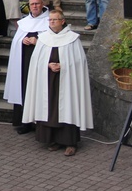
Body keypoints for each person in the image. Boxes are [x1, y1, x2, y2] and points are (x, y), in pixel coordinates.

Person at [22, 9, 93, 157]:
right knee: (49, 107)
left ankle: (70, 142)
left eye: (55, 19)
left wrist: (64, 65)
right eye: (50, 20)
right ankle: (53, 139)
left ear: (62, 21)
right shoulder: (43, 38)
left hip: (67, 80)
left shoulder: (73, 38)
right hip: (47, 79)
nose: (52, 22)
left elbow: (79, 61)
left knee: (67, 107)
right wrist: (48, 65)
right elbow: (36, 61)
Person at [3, 0, 49, 134]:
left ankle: (40, 123)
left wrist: (38, 41)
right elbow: (15, 42)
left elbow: (52, 42)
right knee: (23, 88)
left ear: (42, 5)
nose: (34, 6)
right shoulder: (24, 22)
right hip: (23, 63)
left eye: (37, 3)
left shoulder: (49, 21)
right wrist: (22, 40)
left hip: (39, 64)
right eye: (32, 4)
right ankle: (24, 122)